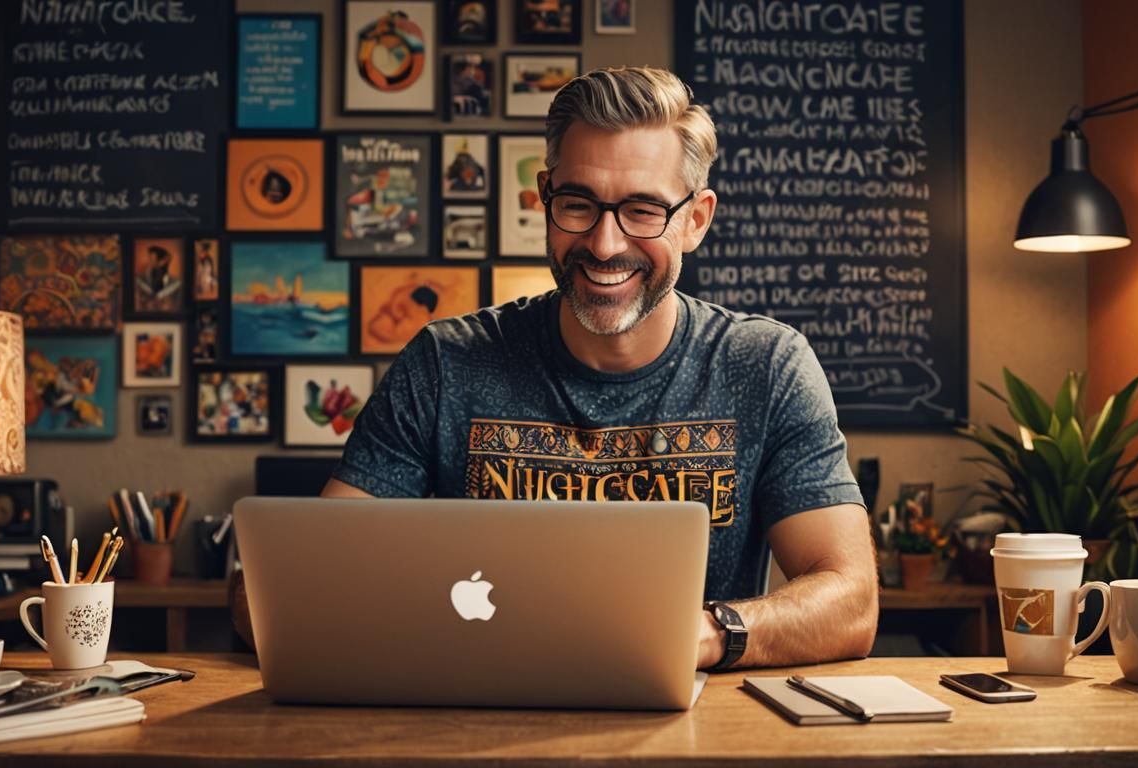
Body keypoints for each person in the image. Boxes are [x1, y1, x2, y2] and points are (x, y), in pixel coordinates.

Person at [311, 67, 879, 670]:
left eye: (643, 210)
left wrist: (700, 635)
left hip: (687, 714)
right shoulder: (445, 362)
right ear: (545, 197)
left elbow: (851, 601)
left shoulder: (766, 365)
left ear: (696, 219)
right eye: (578, 204)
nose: (605, 245)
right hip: (472, 705)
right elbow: (308, 581)